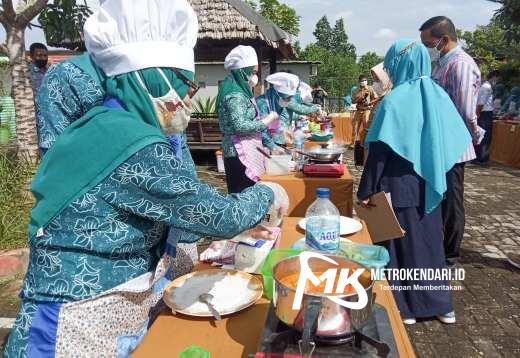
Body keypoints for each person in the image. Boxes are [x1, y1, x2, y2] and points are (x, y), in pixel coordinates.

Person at [4, 1, 288, 356]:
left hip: (95, 310)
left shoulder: (101, 125)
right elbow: (218, 215)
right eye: (183, 83)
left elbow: (175, 199)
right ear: (150, 76)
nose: (186, 97)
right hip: (70, 326)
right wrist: (269, 194)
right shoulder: (129, 141)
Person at [358, 39, 472, 325]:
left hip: (397, 184)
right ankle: (442, 305)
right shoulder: (439, 95)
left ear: (399, 64)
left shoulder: (394, 100)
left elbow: (379, 153)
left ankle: (406, 308)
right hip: (432, 183)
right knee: (430, 243)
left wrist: (366, 189)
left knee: (400, 246)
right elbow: (457, 139)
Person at [420, 16, 482, 265]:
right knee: (441, 197)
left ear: (443, 40)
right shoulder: (443, 64)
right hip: (442, 144)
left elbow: (466, 111)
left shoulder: (461, 65)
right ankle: (439, 245)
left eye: (428, 43)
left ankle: (450, 254)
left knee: (453, 201)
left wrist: (476, 135)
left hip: (454, 145)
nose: (427, 49)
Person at [217, 45, 278, 193]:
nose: (255, 76)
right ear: (242, 71)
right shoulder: (235, 95)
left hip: (242, 150)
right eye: (253, 72)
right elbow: (240, 126)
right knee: (242, 195)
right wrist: (266, 121)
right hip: (237, 153)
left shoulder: (240, 91)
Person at [359, 63, 393, 162]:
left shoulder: (390, 88)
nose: (374, 76)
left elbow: (381, 97)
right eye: (372, 74)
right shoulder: (375, 86)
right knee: (367, 140)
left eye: (375, 74)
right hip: (374, 113)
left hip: (384, 118)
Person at [255, 72, 299, 147]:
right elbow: (260, 130)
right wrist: (273, 147)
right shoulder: (261, 103)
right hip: (259, 146)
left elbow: (279, 123)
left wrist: (284, 131)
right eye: (287, 98)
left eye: (291, 97)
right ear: (276, 94)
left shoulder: (278, 104)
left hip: (272, 144)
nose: (289, 101)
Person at [475, 70, 499, 164]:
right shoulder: (487, 87)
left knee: (482, 134)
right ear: (494, 76)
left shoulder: (485, 86)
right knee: (485, 136)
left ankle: (479, 157)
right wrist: (478, 113)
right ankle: (482, 158)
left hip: (484, 113)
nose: (497, 80)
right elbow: (481, 102)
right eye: (497, 78)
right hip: (485, 113)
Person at [351, 74, 377, 154]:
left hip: (367, 110)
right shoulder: (356, 90)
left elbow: (375, 98)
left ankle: (366, 142)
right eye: (362, 81)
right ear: (359, 82)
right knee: (355, 127)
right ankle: (353, 143)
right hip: (358, 110)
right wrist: (359, 98)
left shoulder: (370, 89)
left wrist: (369, 103)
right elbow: (353, 101)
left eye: (365, 80)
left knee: (366, 127)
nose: (364, 82)